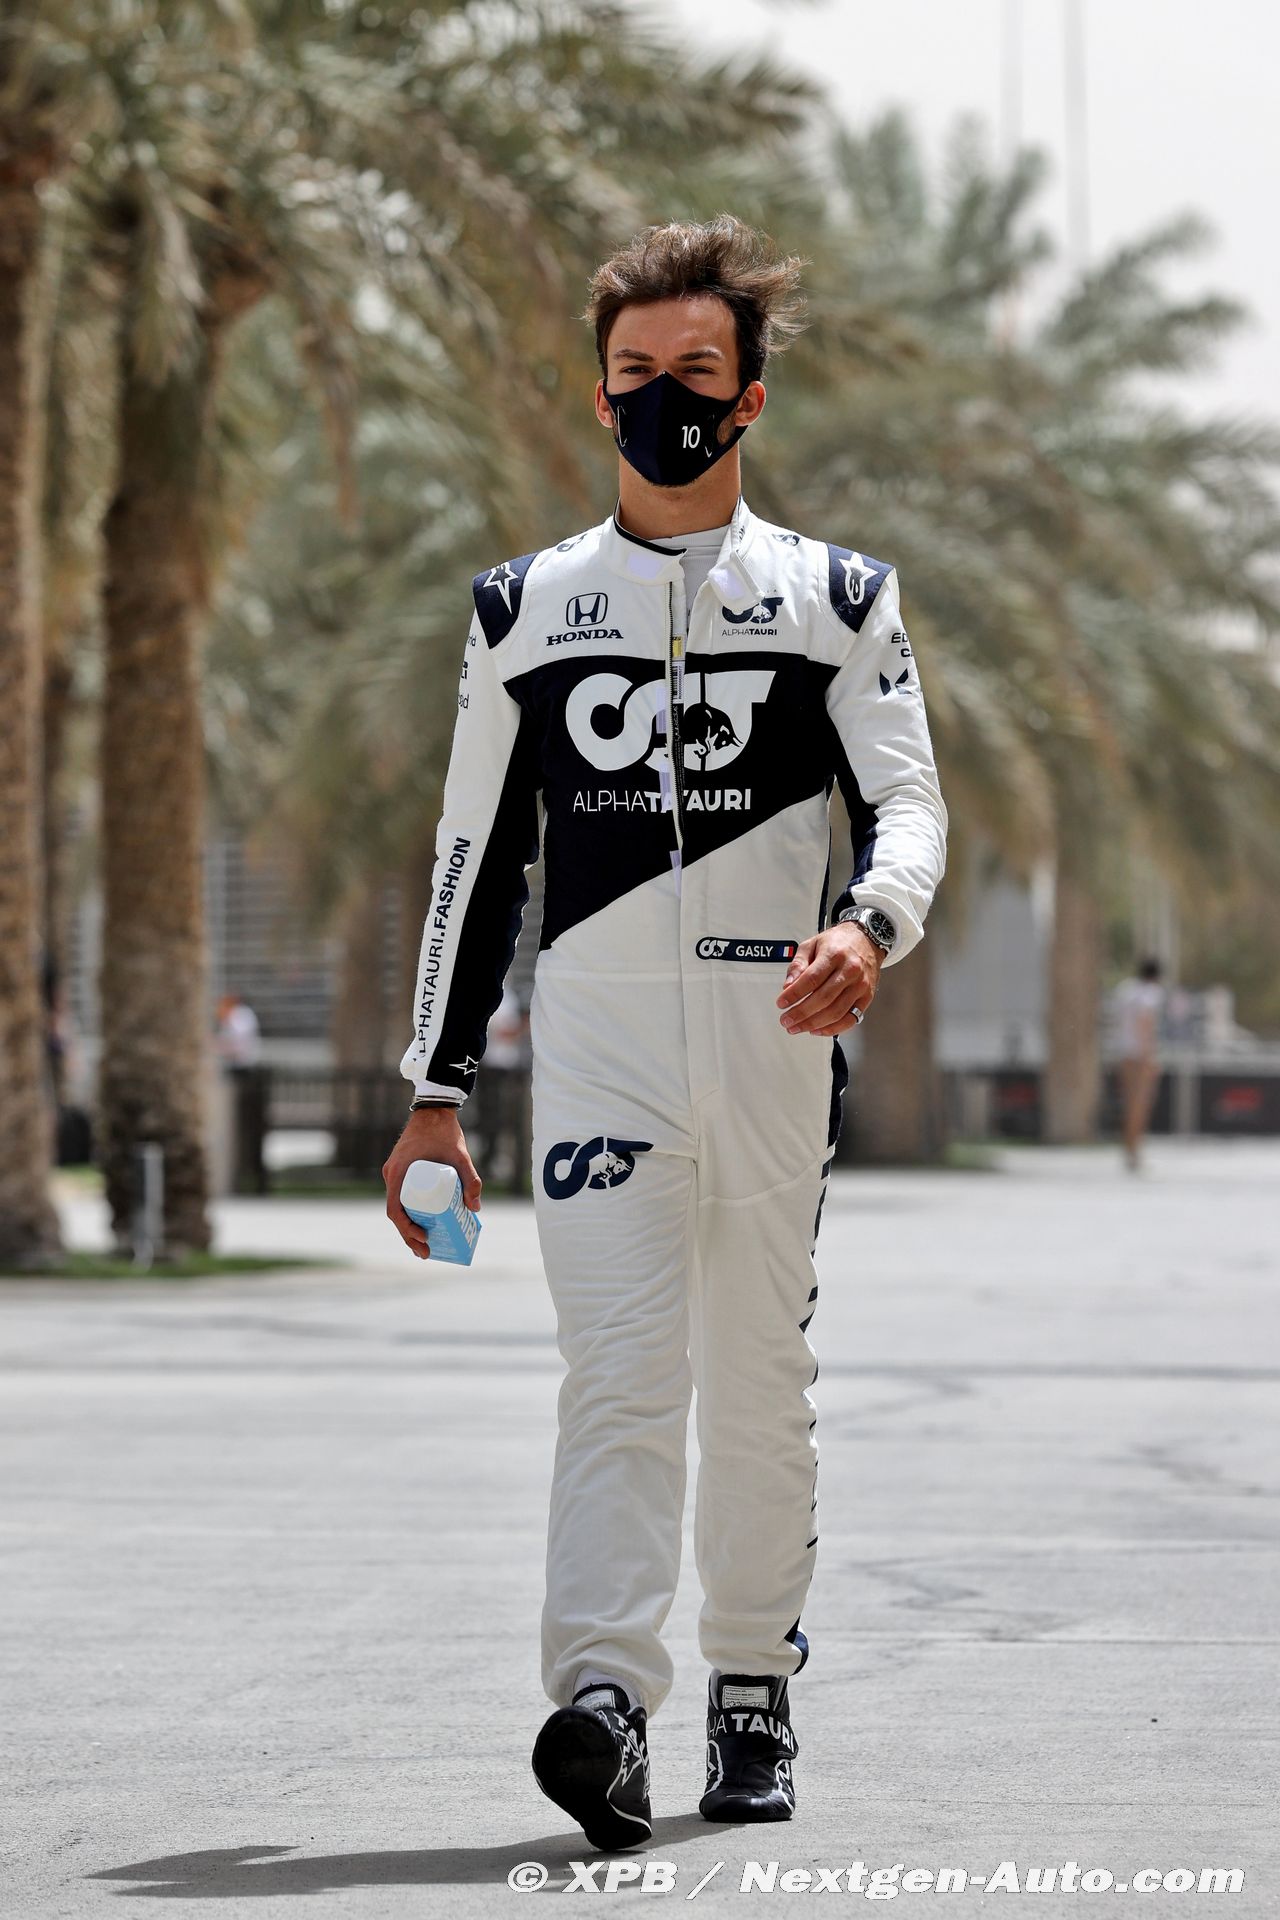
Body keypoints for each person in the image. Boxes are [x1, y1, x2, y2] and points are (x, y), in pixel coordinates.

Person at [382, 217, 948, 1848]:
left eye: (697, 371)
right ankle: (603, 1703)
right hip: (601, 1056)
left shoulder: (840, 599)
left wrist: (869, 925)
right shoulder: (522, 611)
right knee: (618, 1381)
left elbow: (908, 805)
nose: (665, 400)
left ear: (750, 395)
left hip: (777, 1048)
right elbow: (472, 861)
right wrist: (434, 1091)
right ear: (598, 392)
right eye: (635, 372)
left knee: (757, 1385)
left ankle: (753, 1682)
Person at [1114, 957, 1164, 1171]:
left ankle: (1129, 1150)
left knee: (1129, 1104)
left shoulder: (1125, 989)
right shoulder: (1150, 994)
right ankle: (1134, 1151)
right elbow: (1145, 1023)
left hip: (1123, 1052)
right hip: (1139, 1055)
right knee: (1140, 1105)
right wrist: (1149, 1057)